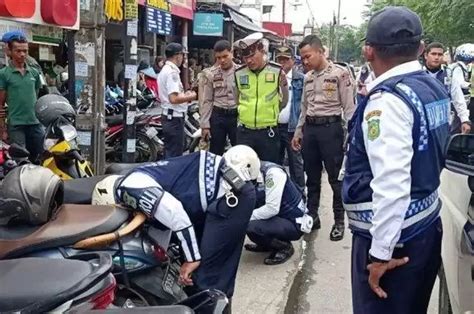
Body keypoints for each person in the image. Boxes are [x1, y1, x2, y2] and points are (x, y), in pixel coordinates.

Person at [342, 7, 450, 314]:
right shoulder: (431, 87)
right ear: (420, 48)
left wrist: (379, 254)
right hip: (424, 226)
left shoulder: (387, 101)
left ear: (368, 51)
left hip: (395, 244)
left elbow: (392, 183)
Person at [92, 145, 260, 312]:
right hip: (222, 192)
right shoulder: (141, 186)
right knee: (200, 275)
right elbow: (163, 230)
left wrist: (191, 259)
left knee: (210, 275)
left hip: (233, 194)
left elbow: (174, 213)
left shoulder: (130, 187)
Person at [291, 35, 355, 240]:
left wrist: (351, 136)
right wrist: (298, 132)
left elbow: (349, 108)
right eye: (302, 58)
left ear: (320, 52)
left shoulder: (340, 74)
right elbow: (304, 108)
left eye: (308, 56)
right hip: (311, 130)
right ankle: (312, 215)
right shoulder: (308, 77)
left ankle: (339, 221)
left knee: (336, 178)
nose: (305, 61)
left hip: (331, 129)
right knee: (312, 176)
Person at [233, 32, 289, 163]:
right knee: (244, 171)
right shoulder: (239, 73)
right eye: (245, 57)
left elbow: (284, 100)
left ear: (262, 50)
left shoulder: (277, 72)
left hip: (268, 132)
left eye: (252, 56)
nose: (249, 60)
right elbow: (237, 99)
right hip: (245, 132)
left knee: (269, 171)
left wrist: (270, 112)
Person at [245, 161, 313, 265]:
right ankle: (266, 245)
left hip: (293, 222)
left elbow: (272, 208)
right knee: (248, 221)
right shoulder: (254, 172)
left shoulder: (273, 174)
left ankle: (285, 247)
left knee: (250, 226)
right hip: (279, 217)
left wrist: (244, 218)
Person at [0, 31, 44, 162]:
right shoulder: (4, 74)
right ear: (11, 52)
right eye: (18, 51)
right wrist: (3, 129)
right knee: (21, 161)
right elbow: (0, 104)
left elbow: (36, 96)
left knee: (39, 157)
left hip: (35, 123)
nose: (22, 54)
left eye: (25, 51)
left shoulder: (35, 73)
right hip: (16, 124)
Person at [158, 43, 197, 158]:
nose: (183, 59)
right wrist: (192, 96)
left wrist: (185, 95)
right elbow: (174, 98)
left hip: (170, 116)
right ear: (177, 55)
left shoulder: (166, 69)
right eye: (183, 56)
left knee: (171, 151)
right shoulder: (171, 72)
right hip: (174, 118)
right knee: (174, 154)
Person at [200, 40, 239, 155]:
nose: (222, 60)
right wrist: (205, 125)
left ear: (232, 53)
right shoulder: (210, 74)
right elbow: (207, 100)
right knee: (215, 152)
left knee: (240, 151)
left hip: (236, 116)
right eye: (218, 57)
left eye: (225, 56)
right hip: (218, 116)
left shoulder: (241, 72)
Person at [275, 46, 305, 192]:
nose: (282, 63)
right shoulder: (271, 77)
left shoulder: (301, 79)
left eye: (285, 60)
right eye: (279, 60)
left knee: (296, 164)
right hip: (274, 127)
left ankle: (299, 195)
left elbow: (305, 105)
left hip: (292, 128)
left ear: (292, 61)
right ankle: (277, 194)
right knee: (274, 164)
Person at [424, 42, 471, 134]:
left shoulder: (449, 74)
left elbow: (458, 97)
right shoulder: (418, 74)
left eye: (440, 54)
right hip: (423, 123)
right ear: (426, 55)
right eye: (433, 54)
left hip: (443, 124)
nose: (437, 57)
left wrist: (465, 120)